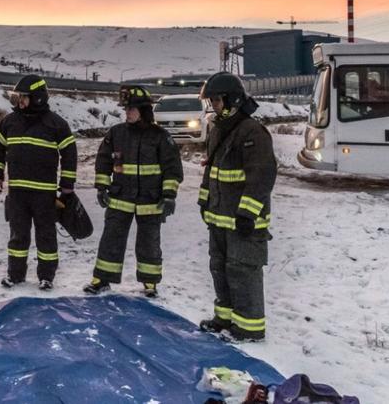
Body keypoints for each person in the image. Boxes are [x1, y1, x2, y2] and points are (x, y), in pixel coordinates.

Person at [197, 72, 277, 342]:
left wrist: (247, 213)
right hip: (219, 218)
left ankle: (248, 329)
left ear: (232, 100)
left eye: (217, 101)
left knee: (243, 271)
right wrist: (204, 201)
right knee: (220, 268)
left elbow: (261, 177)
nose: (214, 106)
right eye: (212, 101)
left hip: (243, 222)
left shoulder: (252, 132)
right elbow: (211, 171)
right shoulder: (219, 130)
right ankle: (224, 318)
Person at [85, 85, 183, 297]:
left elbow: (172, 169)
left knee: (149, 243)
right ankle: (101, 279)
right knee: (111, 240)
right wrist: (102, 187)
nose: (127, 112)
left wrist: (169, 196)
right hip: (120, 198)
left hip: (151, 201)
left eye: (131, 109)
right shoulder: (116, 133)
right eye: (126, 109)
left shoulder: (160, 136)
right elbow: (103, 161)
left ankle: (150, 283)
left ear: (144, 111)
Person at [0, 75, 77, 290]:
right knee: (17, 236)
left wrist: (67, 184)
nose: (19, 101)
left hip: (44, 193)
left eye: (24, 97)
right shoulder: (9, 122)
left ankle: (46, 277)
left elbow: (70, 154)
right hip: (18, 192)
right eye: (18, 97)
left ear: (37, 98)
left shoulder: (56, 124)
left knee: (46, 235)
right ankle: (15, 275)